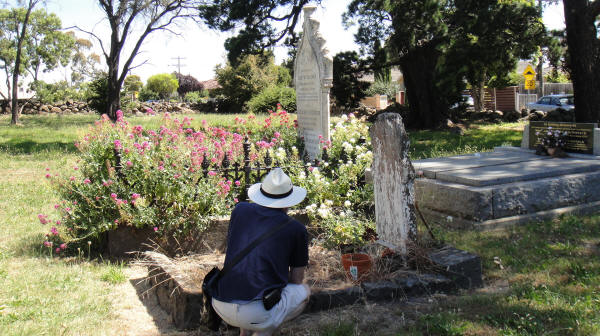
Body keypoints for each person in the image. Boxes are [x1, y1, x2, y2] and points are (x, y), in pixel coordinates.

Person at [211, 168, 310, 336]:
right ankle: (264, 332)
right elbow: (296, 279)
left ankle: (245, 333)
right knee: (303, 292)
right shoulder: (296, 229)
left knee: (252, 284)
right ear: (288, 201)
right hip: (257, 312)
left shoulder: (240, 210)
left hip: (221, 302)